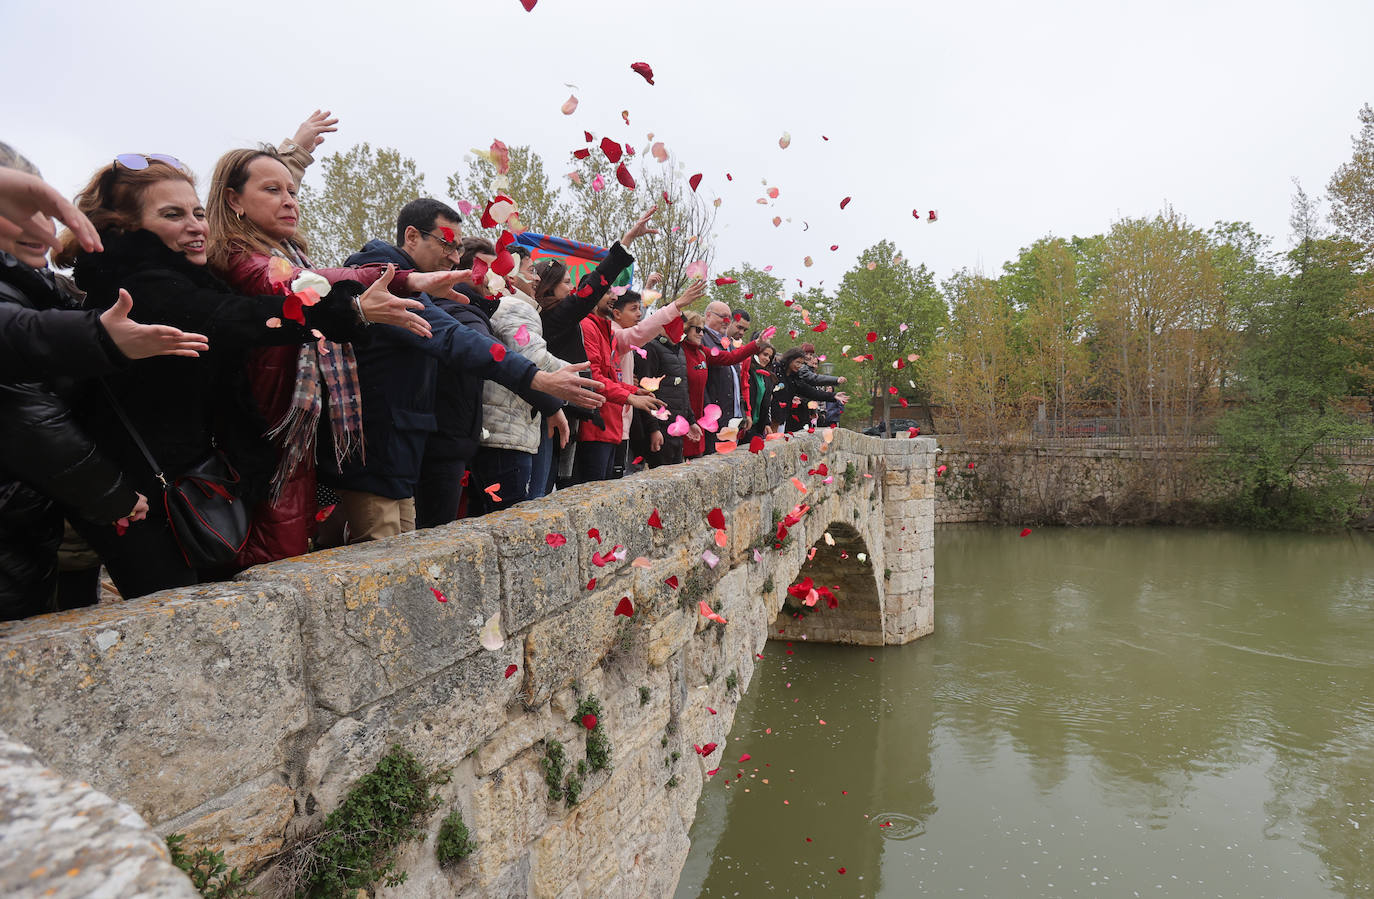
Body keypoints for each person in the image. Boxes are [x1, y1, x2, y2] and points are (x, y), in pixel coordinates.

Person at [50, 154, 425, 600]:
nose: (195, 226)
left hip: (193, 478)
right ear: (128, 225)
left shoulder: (189, 274)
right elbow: (234, 316)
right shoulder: (135, 286)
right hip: (143, 494)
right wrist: (355, 307)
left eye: (197, 213)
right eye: (172, 215)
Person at [206, 144, 599, 561]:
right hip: (340, 447)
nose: (454, 255)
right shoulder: (368, 272)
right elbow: (447, 336)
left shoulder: (295, 257)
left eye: (293, 190)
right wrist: (534, 379)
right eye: (446, 243)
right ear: (411, 235)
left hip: (386, 451)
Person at [468, 245, 572, 512]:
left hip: (502, 430)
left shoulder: (511, 308)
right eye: (529, 270)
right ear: (509, 275)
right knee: (511, 521)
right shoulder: (516, 307)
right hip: (506, 434)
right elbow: (534, 360)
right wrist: (582, 377)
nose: (536, 277)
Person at [682, 311, 772, 458]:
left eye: (703, 330)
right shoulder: (679, 351)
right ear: (685, 329)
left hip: (698, 421)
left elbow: (731, 357)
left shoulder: (702, 352)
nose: (701, 334)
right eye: (697, 330)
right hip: (685, 419)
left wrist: (756, 344)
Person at [700, 300, 744, 452]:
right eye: (723, 317)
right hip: (715, 417)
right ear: (708, 316)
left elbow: (736, 381)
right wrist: (710, 413)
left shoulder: (728, 343)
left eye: (729, 318)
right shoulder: (702, 340)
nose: (727, 321)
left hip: (732, 417)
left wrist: (743, 411)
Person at [773, 346, 847, 433]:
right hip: (770, 415)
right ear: (789, 360)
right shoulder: (776, 370)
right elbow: (813, 378)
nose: (799, 366)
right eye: (797, 362)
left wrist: (833, 395)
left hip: (782, 417)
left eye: (801, 363)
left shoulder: (795, 379)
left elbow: (812, 392)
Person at [742, 342, 777, 441]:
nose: (767, 359)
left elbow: (766, 403)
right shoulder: (747, 371)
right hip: (745, 423)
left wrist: (766, 423)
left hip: (758, 425)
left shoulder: (767, 376)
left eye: (770, 356)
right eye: (765, 354)